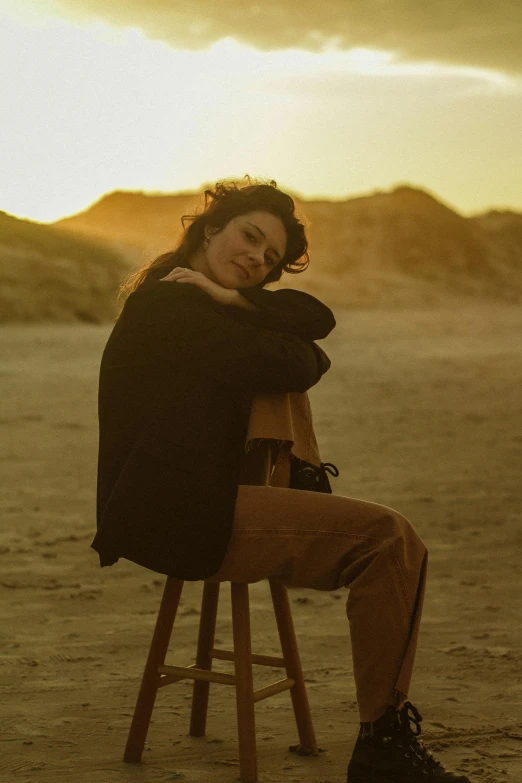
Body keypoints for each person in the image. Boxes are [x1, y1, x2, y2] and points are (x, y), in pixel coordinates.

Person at [91, 176, 472, 782]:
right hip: (182, 514)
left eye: (268, 259)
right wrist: (241, 314)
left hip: (199, 500)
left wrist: (236, 301)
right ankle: (383, 743)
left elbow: (314, 318)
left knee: (392, 538)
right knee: (389, 540)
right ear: (210, 228)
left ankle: (384, 738)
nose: (255, 258)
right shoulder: (169, 306)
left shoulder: (205, 304)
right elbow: (297, 359)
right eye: (249, 237)